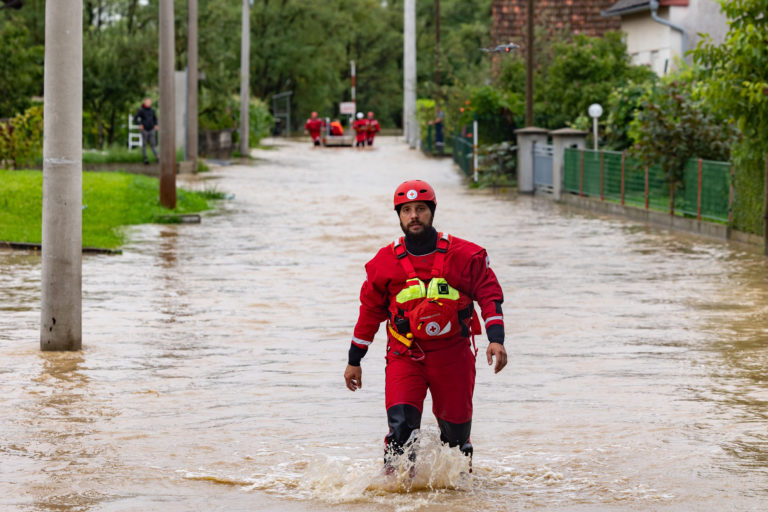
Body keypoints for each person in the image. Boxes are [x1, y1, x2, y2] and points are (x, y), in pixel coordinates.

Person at [344, 180, 507, 471]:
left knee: (456, 438)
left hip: (454, 356)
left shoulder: (465, 255)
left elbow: (489, 294)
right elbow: (369, 312)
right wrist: (354, 360)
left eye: (420, 209)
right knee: (401, 432)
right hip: (405, 355)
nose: (414, 215)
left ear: (432, 211)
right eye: (406, 210)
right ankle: (395, 493)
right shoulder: (383, 263)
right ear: (399, 215)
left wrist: (497, 339)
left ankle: (458, 494)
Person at [134, 98, 158, 164]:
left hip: (151, 129)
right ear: (145, 103)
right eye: (147, 102)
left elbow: (155, 119)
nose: (148, 103)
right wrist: (140, 124)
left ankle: (157, 157)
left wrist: (156, 125)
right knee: (144, 144)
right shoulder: (141, 110)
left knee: (153, 144)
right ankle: (145, 158)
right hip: (144, 129)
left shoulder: (152, 110)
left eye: (149, 102)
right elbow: (135, 118)